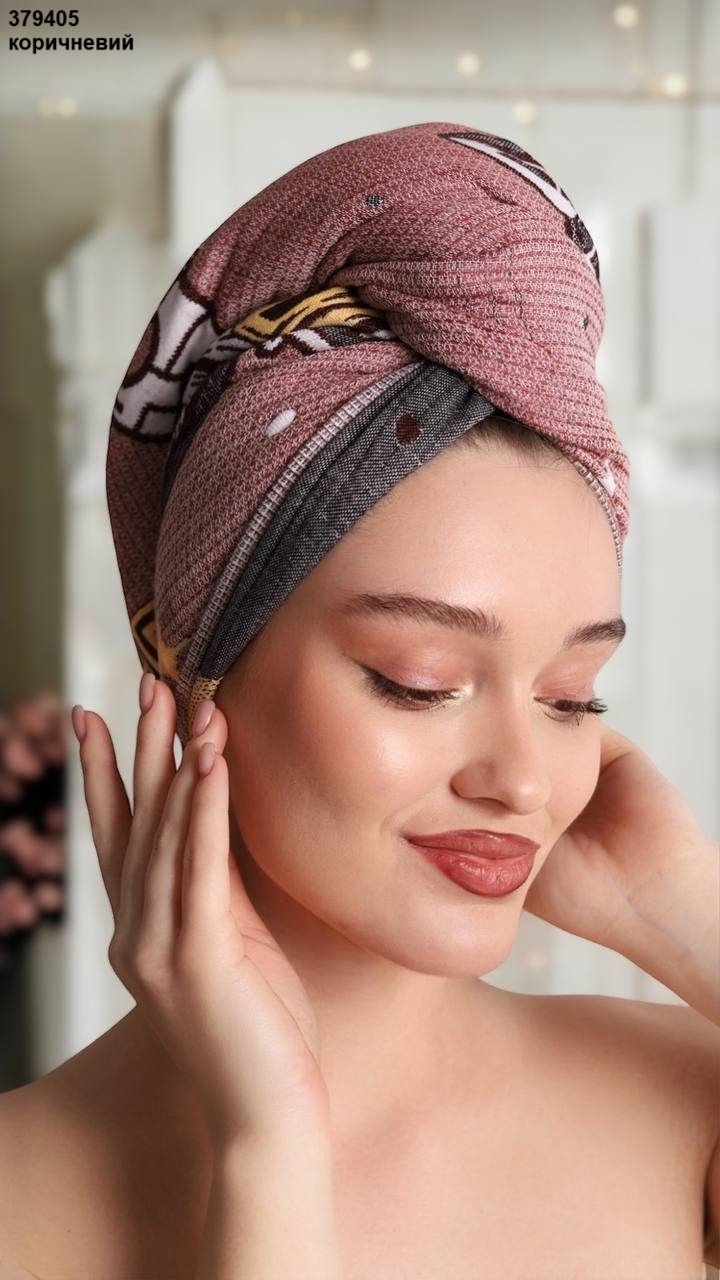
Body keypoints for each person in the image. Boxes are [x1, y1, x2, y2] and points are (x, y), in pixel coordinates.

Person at [0, 123, 718, 1279]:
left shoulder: (685, 1113)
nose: (522, 779)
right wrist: (270, 1146)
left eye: (572, 696)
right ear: (196, 672)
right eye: (418, 681)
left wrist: (686, 912)